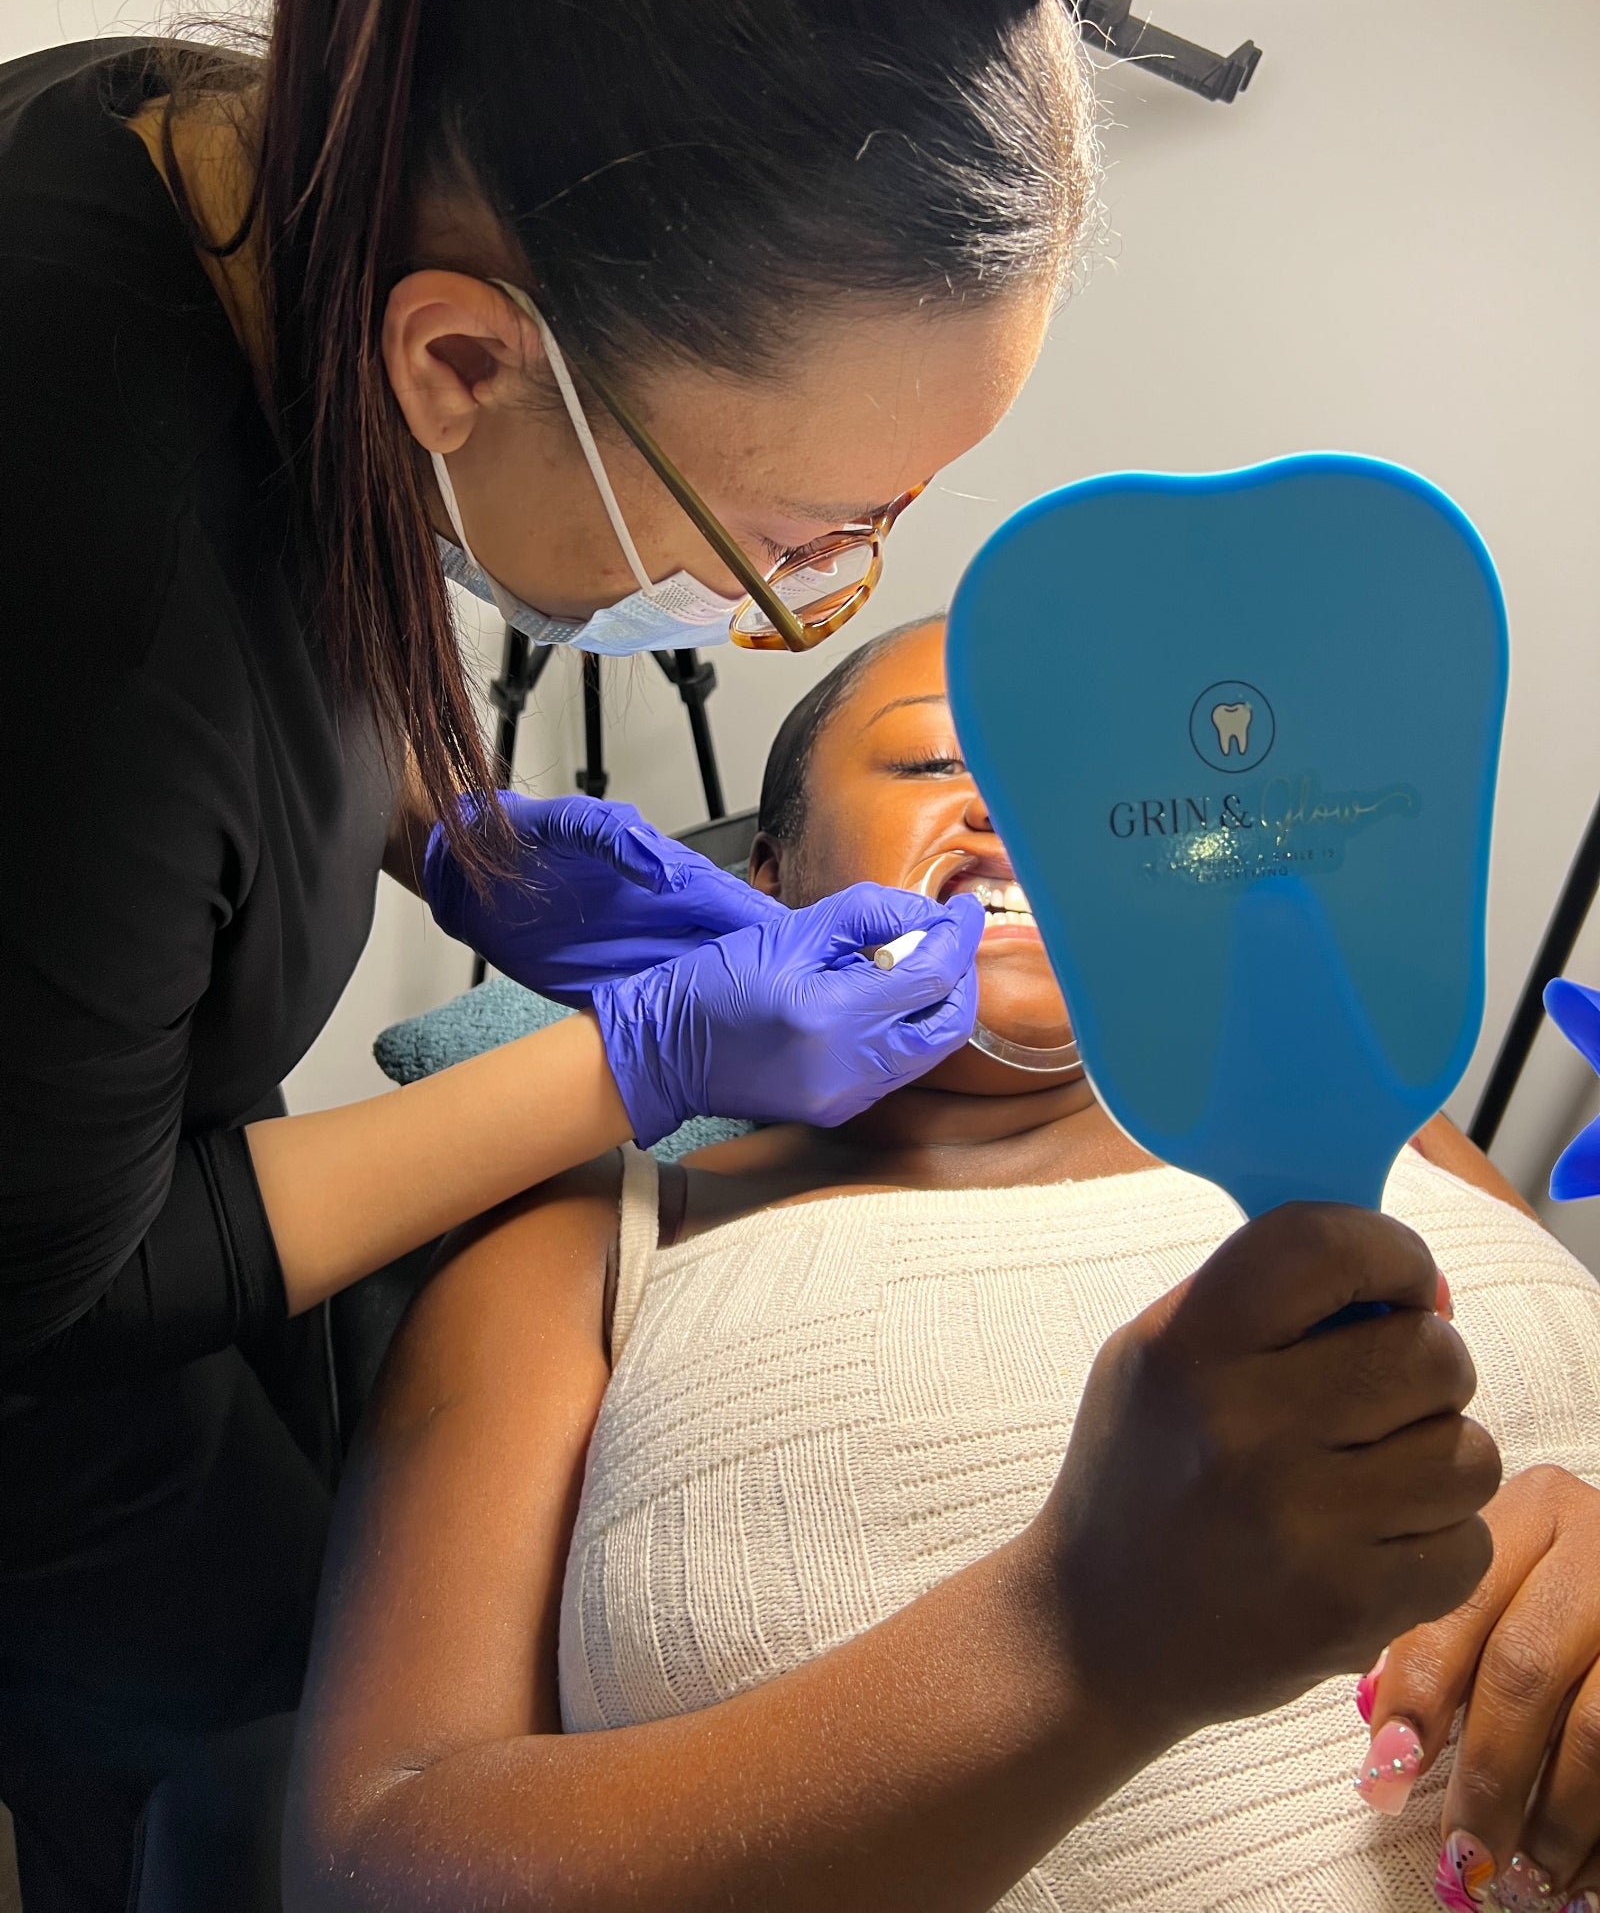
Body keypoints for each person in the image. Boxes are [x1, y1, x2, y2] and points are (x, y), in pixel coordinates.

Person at [0, 0, 1102, 1902]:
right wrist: (633, 1066)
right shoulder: (73, 549)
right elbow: (58, 1277)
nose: (824, 600)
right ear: (463, 360)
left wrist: (458, 833)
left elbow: (269, 624)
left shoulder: (237, 176)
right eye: (798, 534)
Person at [284, 618, 1600, 1913]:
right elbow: (370, 1861)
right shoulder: (590, 1235)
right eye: (932, 768)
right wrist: (1070, 1635)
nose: (1020, 810)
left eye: (1088, 782)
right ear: (776, 876)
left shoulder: (1382, 1115)